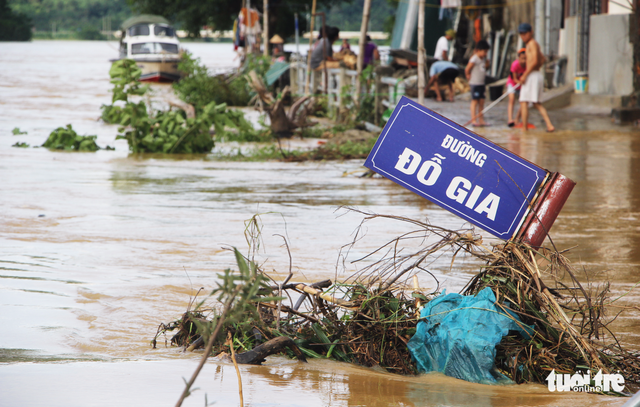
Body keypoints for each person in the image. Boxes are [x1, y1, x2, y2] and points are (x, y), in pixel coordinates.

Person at [517, 23, 555, 132]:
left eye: (525, 33)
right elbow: (542, 59)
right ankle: (549, 125)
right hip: (535, 74)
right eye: (521, 34)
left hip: (532, 75)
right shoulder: (533, 44)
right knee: (536, 103)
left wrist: (525, 74)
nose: (523, 36)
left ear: (531, 32)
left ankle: (524, 129)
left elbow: (535, 61)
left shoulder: (532, 44)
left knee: (524, 101)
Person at [465, 39, 490, 126]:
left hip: (481, 83)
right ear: (478, 50)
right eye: (485, 51)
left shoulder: (483, 59)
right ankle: (474, 120)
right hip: (475, 84)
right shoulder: (474, 58)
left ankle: (481, 120)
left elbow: (484, 69)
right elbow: (467, 69)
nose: (486, 54)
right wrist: (468, 77)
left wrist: (487, 65)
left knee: (482, 101)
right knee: (475, 101)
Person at [507, 48, 526, 127]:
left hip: (522, 85)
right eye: (522, 59)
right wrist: (520, 82)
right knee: (512, 99)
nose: (524, 61)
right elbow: (514, 79)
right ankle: (510, 119)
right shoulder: (515, 65)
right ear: (519, 58)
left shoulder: (528, 65)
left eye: (526, 59)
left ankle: (517, 118)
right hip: (512, 83)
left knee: (524, 102)